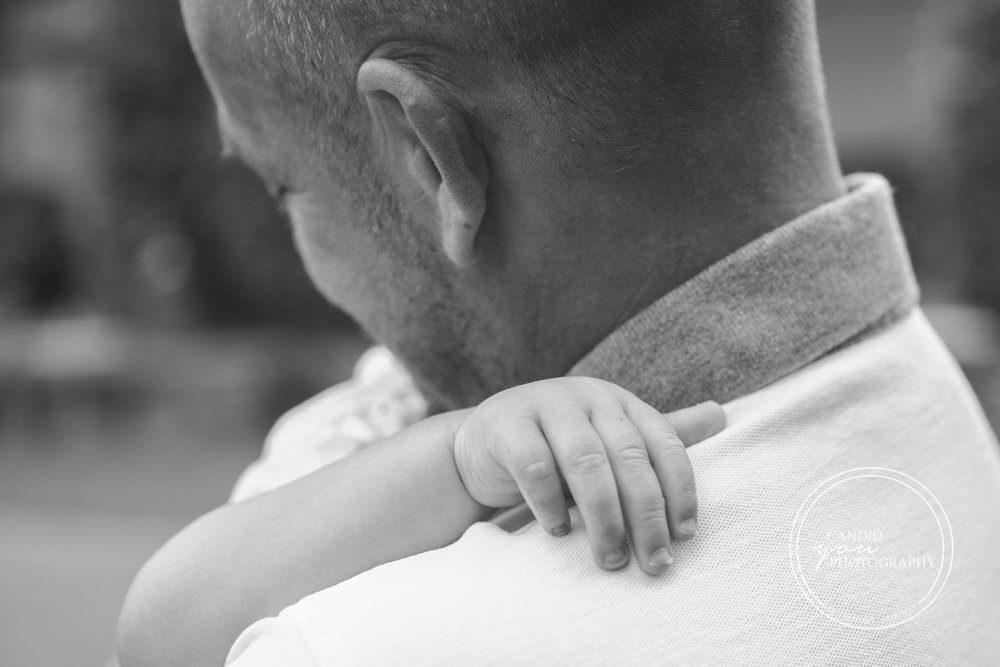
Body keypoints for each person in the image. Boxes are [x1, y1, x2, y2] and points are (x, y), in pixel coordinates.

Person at [120, 0, 1000, 665]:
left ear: (432, 159)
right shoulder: (935, 420)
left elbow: (155, 635)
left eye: (282, 186)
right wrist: (453, 454)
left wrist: (461, 458)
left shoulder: (352, 644)